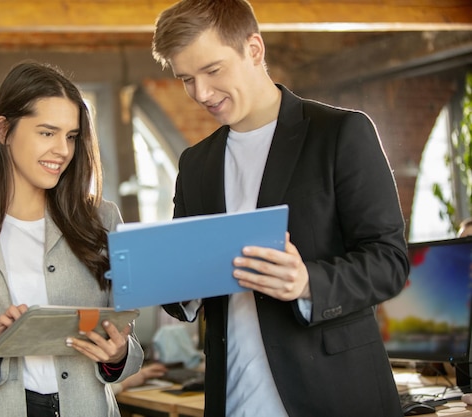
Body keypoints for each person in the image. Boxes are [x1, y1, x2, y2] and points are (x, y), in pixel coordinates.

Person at [151, 1, 410, 416]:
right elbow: (183, 291)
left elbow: (390, 261)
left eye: (213, 71)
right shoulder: (195, 164)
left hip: (335, 397)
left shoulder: (340, 134)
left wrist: (308, 282)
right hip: (234, 401)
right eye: (186, 79)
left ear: (254, 49)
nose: (201, 93)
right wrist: (177, 282)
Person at [0, 60, 144, 417]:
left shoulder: (102, 219)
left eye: (71, 136)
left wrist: (118, 355)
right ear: (4, 130)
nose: (63, 150)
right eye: (47, 133)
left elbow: (128, 336)